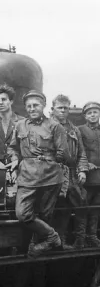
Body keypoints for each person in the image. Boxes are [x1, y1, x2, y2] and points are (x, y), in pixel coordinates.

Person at [7, 90, 69, 258]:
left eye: (36, 105)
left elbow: (64, 154)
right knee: (23, 214)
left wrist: (48, 158)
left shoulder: (55, 126)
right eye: (29, 106)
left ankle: (37, 247)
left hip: (50, 176)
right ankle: (52, 237)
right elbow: (13, 147)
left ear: (43, 106)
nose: (32, 108)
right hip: (27, 175)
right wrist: (14, 159)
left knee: (45, 215)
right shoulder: (20, 125)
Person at [51, 95, 89, 250]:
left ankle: (81, 240)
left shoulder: (74, 129)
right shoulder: (49, 126)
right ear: (52, 109)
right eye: (59, 108)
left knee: (80, 203)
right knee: (59, 208)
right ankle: (59, 241)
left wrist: (83, 171)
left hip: (72, 174)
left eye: (65, 108)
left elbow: (81, 152)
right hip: (55, 173)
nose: (63, 111)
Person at [78, 102, 100, 247]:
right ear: (85, 116)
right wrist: (85, 166)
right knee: (83, 206)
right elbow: (79, 151)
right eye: (89, 113)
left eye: (95, 112)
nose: (93, 115)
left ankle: (92, 235)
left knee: (96, 207)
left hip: (99, 177)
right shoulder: (79, 130)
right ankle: (80, 237)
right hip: (87, 176)